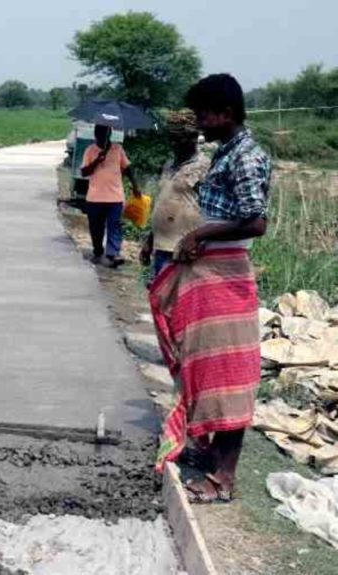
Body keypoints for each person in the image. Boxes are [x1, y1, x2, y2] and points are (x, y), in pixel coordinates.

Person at [152, 74, 271, 503]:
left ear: (225, 113)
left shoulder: (245, 157)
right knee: (206, 367)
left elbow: (256, 221)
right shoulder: (227, 153)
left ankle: (224, 478)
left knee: (227, 376)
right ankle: (212, 456)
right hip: (211, 273)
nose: (200, 123)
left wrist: (202, 235)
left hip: (226, 275)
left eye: (205, 114)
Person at [140, 110, 210, 279]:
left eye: (179, 138)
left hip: (184, 250)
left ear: (193, 138)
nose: (174, 143)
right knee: (160, 299)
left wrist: (200, 242)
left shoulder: (204, 167)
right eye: (172, 138)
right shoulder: (169, 165)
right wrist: (150, 241)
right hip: (161, 247)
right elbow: (163, 202)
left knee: (178, 302)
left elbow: (212, 212)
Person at [80, 124, 143, 268]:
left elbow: (127, 168)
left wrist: (135, 186)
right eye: (98, 134)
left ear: (109, 134)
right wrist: (97, 160)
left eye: (103, 134)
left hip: (115, 197)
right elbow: (84, 172)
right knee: (96, 228)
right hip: (95, 197)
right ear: (95, 135)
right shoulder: (90, 150)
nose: (100, 137)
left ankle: (111, 255)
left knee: (115, 226)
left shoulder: (117, 149)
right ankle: (98, 252)